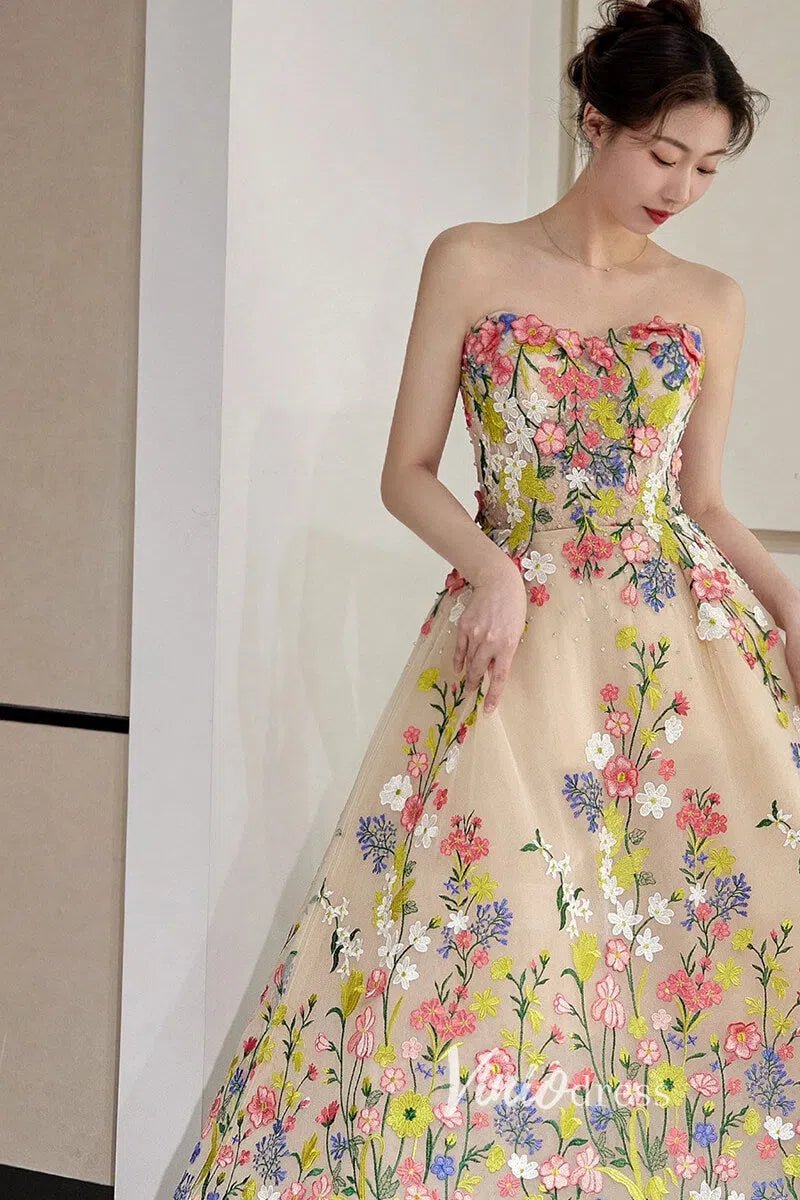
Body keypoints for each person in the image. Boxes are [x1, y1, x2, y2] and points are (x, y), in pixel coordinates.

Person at [173, 2, 800, 1198]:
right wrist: (495, 570)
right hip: (517, 649)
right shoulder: (470, 259)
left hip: (675, 653)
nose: (681, 189)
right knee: (501, 933)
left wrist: (784, 602)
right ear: (595, 122)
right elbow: (406, 472)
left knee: (694, 946)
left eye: (708, 168)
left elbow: (704, 503)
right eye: (662, 154)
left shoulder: (712, 298)